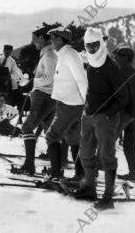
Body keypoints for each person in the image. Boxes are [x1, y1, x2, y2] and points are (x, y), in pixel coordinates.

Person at [73, 28, 129, 210]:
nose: (91, 48)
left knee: (106, 156)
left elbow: (123, 97)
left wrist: (107, 113)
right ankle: (90, 187)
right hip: (88, 115)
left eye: (95, 45)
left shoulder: (111, 67)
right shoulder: (89, 62)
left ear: (102, 44)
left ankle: (108, 197)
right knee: (86, 152)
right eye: (88, 45)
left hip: (105, 118)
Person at [11, 23, 59, 175]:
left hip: (44, 96)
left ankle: (29, 165)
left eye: (34, 39)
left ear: (41, 38)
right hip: (47, 96)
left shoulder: (50, 56)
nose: (33, 42)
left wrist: (31, 82)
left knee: (26, 128)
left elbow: (50, 78)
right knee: (50, 133)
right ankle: (56, 169)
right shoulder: (47, 54)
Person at [43, 27, 87, 180]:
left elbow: (81, 79)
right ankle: (80, 174)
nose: (51, 41)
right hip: (71, 104)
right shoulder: (65, 54)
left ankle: (55, 174)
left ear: (61, 40)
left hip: (70, 105)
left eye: (53, 38)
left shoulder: (69, 55)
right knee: (74, 139)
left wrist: (87, 102)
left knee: (51, 136)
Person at [113, 45, 135, 183]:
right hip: (134, 115)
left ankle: (97, 169)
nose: (115, 58)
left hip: (123, 114)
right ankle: (132, 174)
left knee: (108, 141)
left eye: (117, 56)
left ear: (125, 58)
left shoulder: (119, 72)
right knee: (131, 144)